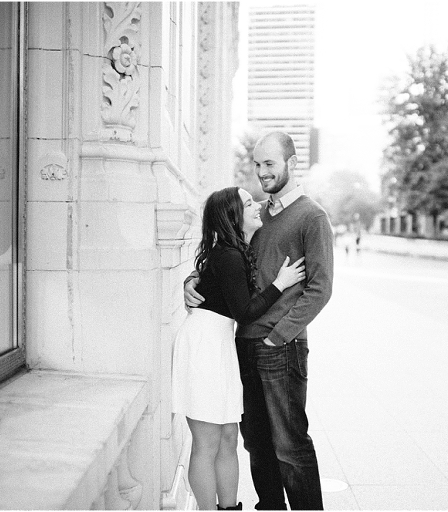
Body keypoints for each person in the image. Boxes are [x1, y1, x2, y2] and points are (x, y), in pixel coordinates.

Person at [185, 131, 334, 510]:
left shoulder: (312, 217)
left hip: (280, 347)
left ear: (292, 163)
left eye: (269, 163)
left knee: (290, 442)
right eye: (257, 164)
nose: (262, 171)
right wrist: (192, 281)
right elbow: (226, 262)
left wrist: (279, 337)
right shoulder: (255, 215)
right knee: (256, 441)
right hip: (242, 345)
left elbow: (320, 289)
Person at [172, 186, 306, 511]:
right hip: (205, 346)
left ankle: (228, 507)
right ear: (233, 216)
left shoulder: (233, 250)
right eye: (248, 203)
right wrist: (281, 283)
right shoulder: (229, 254)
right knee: (207, 442)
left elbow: (214, 282)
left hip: (218, 345)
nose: (256, 205)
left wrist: (191, 278)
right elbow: (244, 312)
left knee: (229, 437)